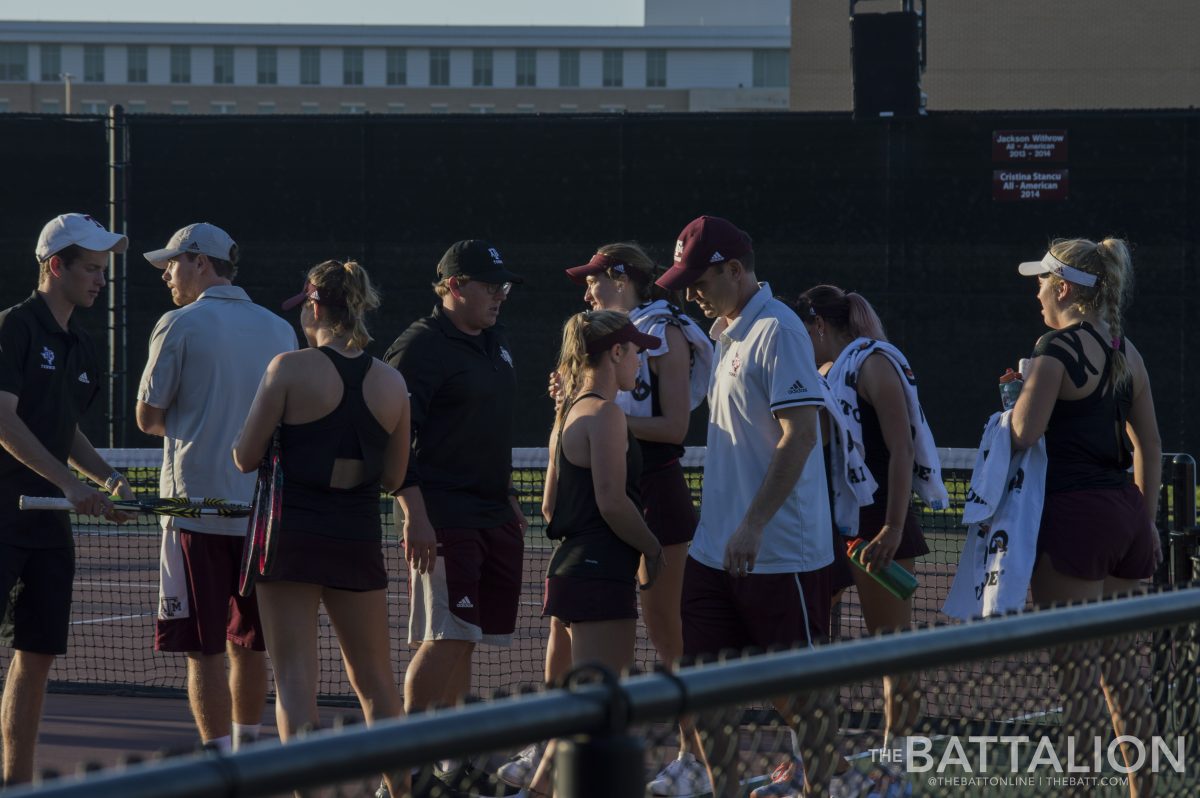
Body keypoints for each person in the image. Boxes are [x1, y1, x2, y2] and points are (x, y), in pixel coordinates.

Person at [498, 244, 714, 796]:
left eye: (594, 279)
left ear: (622, 277)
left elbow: (671, 427)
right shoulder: (599, 373)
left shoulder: (661, 336)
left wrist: (593, 420)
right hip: (602, 519)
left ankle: (694, 755)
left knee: (669, 638)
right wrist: (586, 414)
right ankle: (551, 752)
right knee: (567, 650)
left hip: (656, 496)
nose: (587, 290)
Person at [653, 216, 840, 798]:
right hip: (716, 553)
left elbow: (802, 435)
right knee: (705, 691)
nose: (689, 292)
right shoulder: (725, 329)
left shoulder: (779, 330)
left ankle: (823, 790)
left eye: (698, 278)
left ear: (735, 270)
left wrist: (754, 525)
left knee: (801, 697)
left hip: (780, 554)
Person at [233, 260, 410, 797]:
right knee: (376, 681)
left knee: (294, 681)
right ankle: (402, 790)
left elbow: (244, 456)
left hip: (291, 540)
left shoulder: (287, 368)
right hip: (355, 539)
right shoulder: (392, 382)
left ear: (314, 307)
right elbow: (396, 477)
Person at [136, 223, 296, 753]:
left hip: (192, 508)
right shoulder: (279, 329)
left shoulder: (178, 323)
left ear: (201, 263)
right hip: (260, 514)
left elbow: (147, 416)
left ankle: (216, 763)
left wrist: (196, 422)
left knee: (204, 649)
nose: (166, 275)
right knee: (251, 645)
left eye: (173, 263)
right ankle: (246, 751)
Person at [1012, 239, 1160, 798]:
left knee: (1078, 686)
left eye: (1042, 281)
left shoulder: (1054, 350)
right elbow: (1149, 444)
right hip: (1124, 516)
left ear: (1065, 288)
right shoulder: (1128, 351)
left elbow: (1023, 432)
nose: (1037, 291)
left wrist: (1017, 394)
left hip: (1074, 519)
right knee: (1125, 680)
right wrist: (1145, 525)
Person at [383, 239, 526, 791]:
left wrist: (504, 490)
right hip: (444, 516)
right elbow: (394, 436)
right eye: (490, 286)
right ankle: (407, 765)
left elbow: (481, 427)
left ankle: (451, 759)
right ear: (453, 287)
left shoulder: (496, 340)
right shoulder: (420, 347)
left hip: (491, 511)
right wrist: (413, 511)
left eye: (503, 287)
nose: (499, 296)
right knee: (447, 635)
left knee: (465, 637)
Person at [0, 213, 134, 785]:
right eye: (91, 269)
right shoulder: (14, 328)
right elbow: (4, 421)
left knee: (37, 657)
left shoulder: (81, 345)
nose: (101, 280)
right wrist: (68, 484)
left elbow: (66, 429)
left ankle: (18, 784)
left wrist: (105, 478)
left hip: (49, 530)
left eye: (104, 270)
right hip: (3, 516)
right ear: (56, 267)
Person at [793, 285, 942, 787]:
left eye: (804, 330)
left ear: (818, 326)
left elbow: (901, 451)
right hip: (828, 525)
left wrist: (893, 529)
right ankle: (816, 762)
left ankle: (896, 770)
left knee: (891, 653)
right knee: (815, 651)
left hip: (878, 523)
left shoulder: (875, 364)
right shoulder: (819, 375)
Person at [523, 310, 668, 798]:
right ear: (616, 353)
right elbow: (612, 501)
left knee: (569, 723)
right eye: (636, 351)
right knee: (600, 721)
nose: (641, 361)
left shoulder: (566, 414)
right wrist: (652, 547)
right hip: (600, 576)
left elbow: (548, 506)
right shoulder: (606, 414)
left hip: (566, 576)